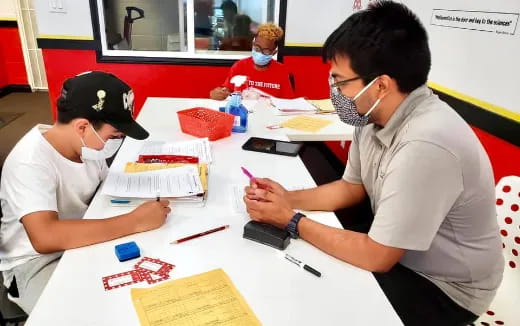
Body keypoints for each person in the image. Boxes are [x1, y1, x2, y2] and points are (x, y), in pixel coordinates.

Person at [243, 2, 503, 325]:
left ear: (380, 84)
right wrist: (287, 198)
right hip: (402, 255)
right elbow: (351, 187)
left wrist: (291, 220)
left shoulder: (425, 143)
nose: (335, 91)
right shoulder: (370, 116)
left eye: (340, 82)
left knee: (324, 299)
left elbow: (376, 256)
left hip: (445, 289)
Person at [0, 71, 171, 313]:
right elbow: (45, 237)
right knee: (92, 313)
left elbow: (104, 191)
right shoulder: (30, 163)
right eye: (115, 136)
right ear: (82, 127)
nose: (116, 143)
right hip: (35, 263)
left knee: (143, 292)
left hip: (81, 239)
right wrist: (134, 221)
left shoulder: (87, 147)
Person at [210, 23, 295, 100]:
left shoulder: (281, 71)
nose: (260, 53)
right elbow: (225, 90)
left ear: (274, 52)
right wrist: (216, 94)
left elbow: (288, 102)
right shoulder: (240, 66)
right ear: (253, 44)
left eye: (265, 51)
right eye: (257, 48)